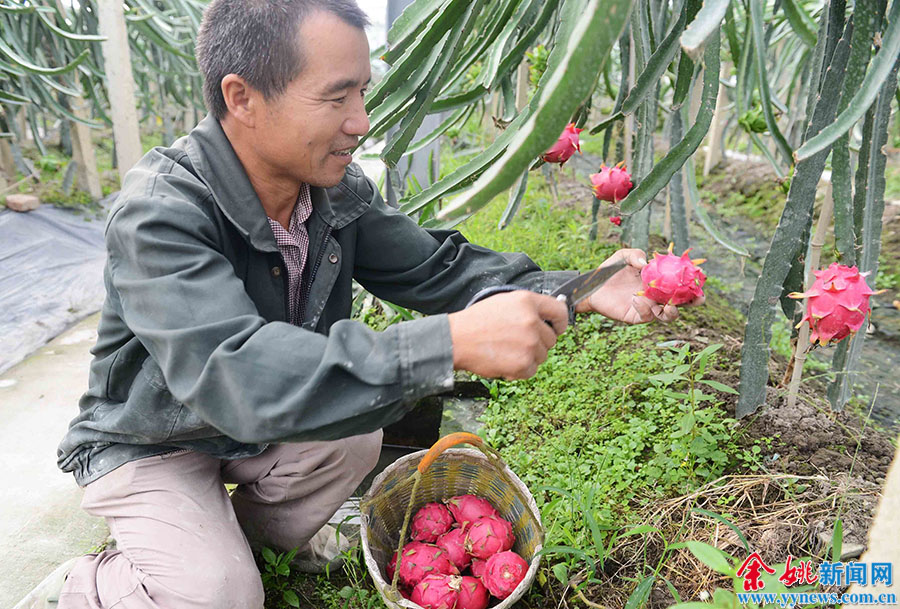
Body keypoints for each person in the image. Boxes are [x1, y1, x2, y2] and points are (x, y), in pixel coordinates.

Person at [32, 1, 692, 608]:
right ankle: (99, 584)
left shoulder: (331, 193)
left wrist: (579, 286)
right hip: (156, 440)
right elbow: (236, 372)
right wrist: (447, 343)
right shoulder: (160, 214)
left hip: (253, 429)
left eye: (363, 92)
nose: (361, 121)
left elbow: (438, 267)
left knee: (352, 436)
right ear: (243, 97)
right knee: (220, 596)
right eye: (335, 96)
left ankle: (226, 544)